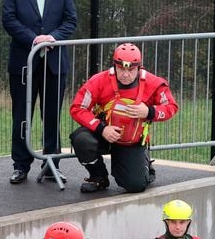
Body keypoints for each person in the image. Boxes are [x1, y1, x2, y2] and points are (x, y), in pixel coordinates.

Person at [2, 0, 77, 185]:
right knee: (22, 115)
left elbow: (70, 21)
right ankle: (20, 165)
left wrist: (51, 38)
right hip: (24, 63)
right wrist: (35, 39)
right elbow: (9, 20)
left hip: (54, 64)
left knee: (52, 115)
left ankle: (51, 163)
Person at [70, 43, 178, 193]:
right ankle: (98, 177)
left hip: (131, 139)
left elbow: (171, 107)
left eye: (131, 69)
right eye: (121, 69)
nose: (125, 74)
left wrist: (149, 112)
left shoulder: (154, 83)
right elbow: (78, 108)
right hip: (104, 132)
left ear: (139, 67)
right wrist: (102, 129)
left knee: (135, 185)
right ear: (115, 65)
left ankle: (144, 164)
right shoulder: (98, 81)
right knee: (82, 140)